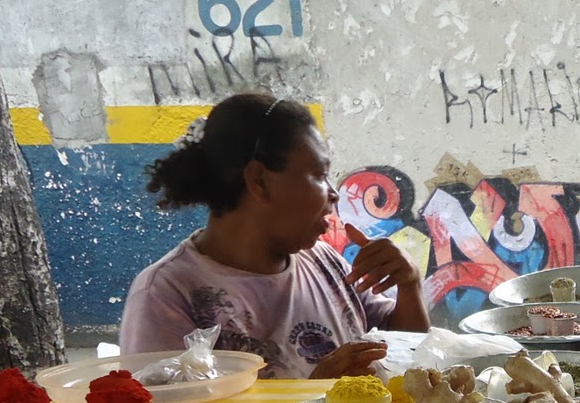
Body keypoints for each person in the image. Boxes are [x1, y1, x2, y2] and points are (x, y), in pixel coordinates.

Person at [121, 92, 428, 379]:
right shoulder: (165, 296)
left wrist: (409, 285)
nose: (334, 194)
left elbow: (408, 353)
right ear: (259, 181)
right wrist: (317, 397)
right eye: (320, 175)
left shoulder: (323, 260)